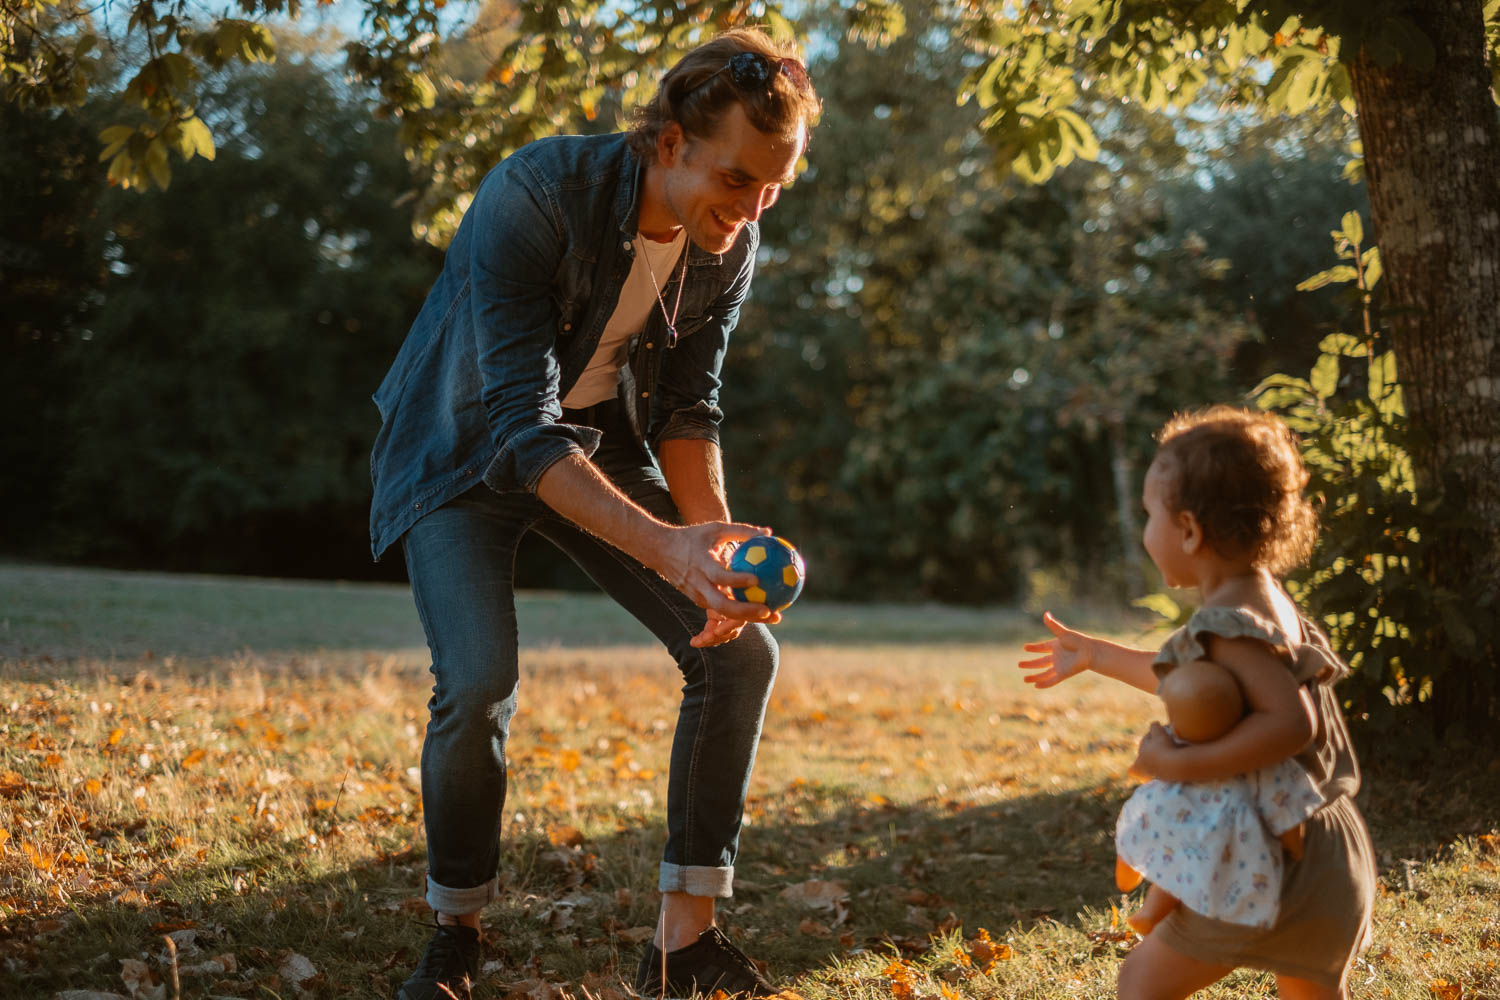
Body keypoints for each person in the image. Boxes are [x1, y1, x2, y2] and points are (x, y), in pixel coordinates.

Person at [367, 28, 822, 1000]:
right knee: (479, 680)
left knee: (738, 650)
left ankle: (683, 946)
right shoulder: (532, 196)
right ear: (669, 143)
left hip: (594, 446)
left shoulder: (724, 247)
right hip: (462, 448)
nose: (749, 212)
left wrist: (716, 551)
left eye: (772, 189)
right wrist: (668, 545)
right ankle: (456, 930)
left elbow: (688, 406)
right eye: (737, 179)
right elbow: (523, 431)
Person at [1016, 406, 1376, 999]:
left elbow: (1290, 723)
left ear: (1188, 531)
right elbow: (1196, 687)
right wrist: (1097, 654)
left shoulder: (1228, 623)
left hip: (1269, 857)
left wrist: (1177, 764)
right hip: (1328, 850)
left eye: (1148, 515)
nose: (1144, 531)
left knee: (1140, 984)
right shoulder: (1265, 602)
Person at [1113, 655, 1324, 936]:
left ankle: (1137, 890)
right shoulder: (1257, 759)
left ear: (1174, 717)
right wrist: (1294, 848)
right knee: (1192, 860)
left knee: (1144, 835)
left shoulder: (1169, 739)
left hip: (1170, 816)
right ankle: (1154, 909)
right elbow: (1287, 811)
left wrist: (1142, 764)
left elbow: (1142, 768)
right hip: (1225, 839)